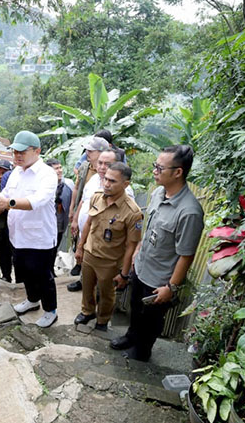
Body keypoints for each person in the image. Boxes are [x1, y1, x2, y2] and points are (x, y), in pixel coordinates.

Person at [110, 145, 204, 361]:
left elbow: (186, 255)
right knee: (135, 308)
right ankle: (131, 337)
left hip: (159, 280)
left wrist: (171, 287)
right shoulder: (158, 193)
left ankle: (142, 352)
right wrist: (138, 251)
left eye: (160, 168)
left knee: (151, 320)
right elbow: (150, 227)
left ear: (178, 172)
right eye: (155, 166)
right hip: (142, 267)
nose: (154, 171)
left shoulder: (189, 211)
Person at [0, 131, 59, 328]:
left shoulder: (47, 174)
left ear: (37, 151)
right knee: (24, 272)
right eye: (15, 152)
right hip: (17, 235)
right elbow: (7, 193)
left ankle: (50, 310)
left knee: (43, 275)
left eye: (22, 152)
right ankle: (32, 300)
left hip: (39, 237)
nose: (17, 156)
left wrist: (7, 203)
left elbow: (37, 201)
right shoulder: (16, 172)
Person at [73, 163, 142, 331]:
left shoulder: (133, 212)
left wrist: (124, 274)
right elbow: (88, 223)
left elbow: (131, 246)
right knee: (87, 288)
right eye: (105, 179)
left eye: (112, 181)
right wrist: (80, 248)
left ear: (125, 184)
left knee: (107, 294)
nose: (106, 184)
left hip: (110, 261)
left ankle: (102, 320)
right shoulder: (97, 197)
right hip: (90, 254)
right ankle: (87, 311)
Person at [67, 135, 110, 288]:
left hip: (99, 234)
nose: (87, 153)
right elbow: (83, 199)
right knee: (85, 258)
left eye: (91, 151)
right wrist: (75, 219)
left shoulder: (115, 182)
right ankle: (84, 281)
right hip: (85, 229)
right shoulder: (92, 176)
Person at [45, 158, 73, 272]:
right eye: (56, 168)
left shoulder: (68, 184)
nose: (60, 170)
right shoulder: (44, 185)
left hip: (61, 222)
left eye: (60, 167)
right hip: (47, 223)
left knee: (56, 245)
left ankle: (51, 269)